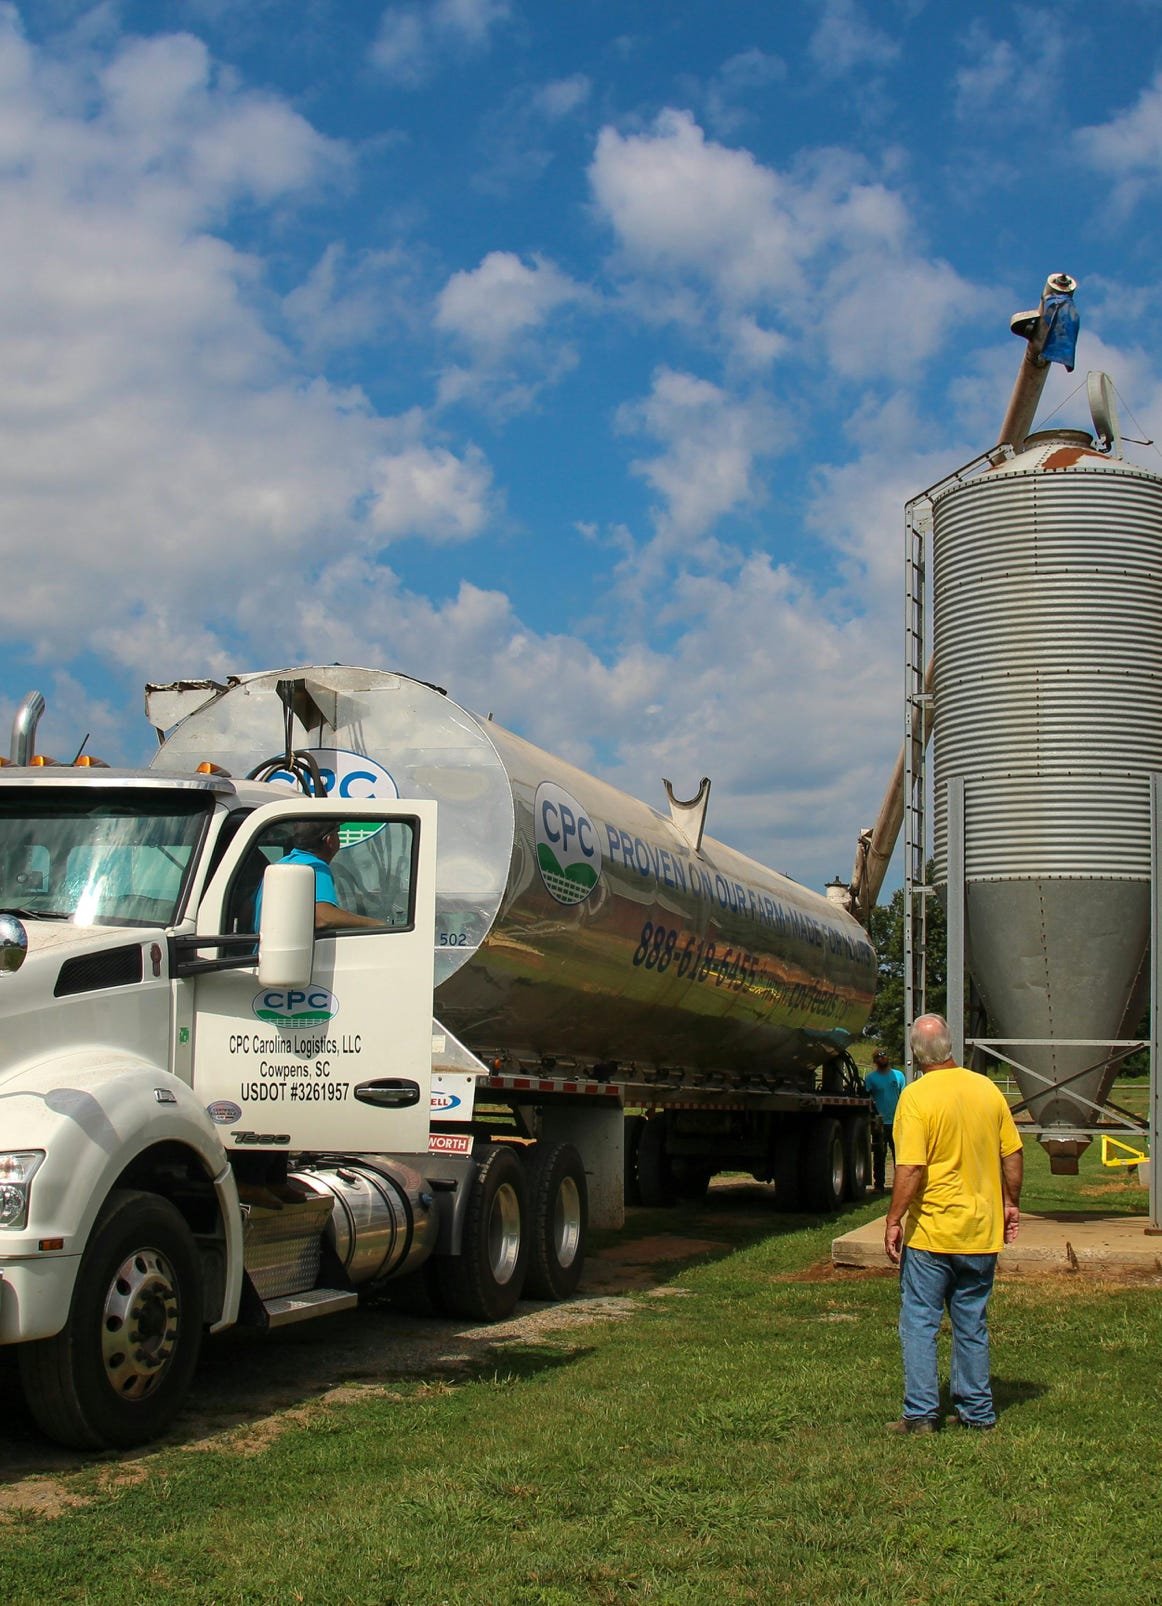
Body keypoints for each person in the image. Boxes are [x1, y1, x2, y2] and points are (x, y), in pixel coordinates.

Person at [883, 1012, 1023, 1434]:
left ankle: (922, 1414)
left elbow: (910, 1169)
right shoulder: (987, 1090)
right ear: (951, 1047)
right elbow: (1012, 1154)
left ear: (915, 1054)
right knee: (971, 1322)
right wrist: (1010, 1202)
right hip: (981, 1231)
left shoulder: (916, 1097)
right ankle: (977, 1412)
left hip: (932, 1233)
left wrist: (893, 1219)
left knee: (920, 1322)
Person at [256, 822, 383, 931]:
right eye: (337, 833)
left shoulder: (283, 863)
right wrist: (376, 924)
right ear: (330, 840)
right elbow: (323, 917)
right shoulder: (313, 867)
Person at [865, 1048, 906, 1190]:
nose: (882, 1058)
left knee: (899, 1156)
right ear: (875, 1061)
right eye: (879, 1057)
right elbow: (867, 1098)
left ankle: (900, 1184)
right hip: (879, 1122)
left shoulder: (899, 1076)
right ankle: (879, 1185)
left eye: (884, 1056)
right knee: (879, 1155)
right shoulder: (871, 1078)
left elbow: (903, 1096)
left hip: (896, 1122)